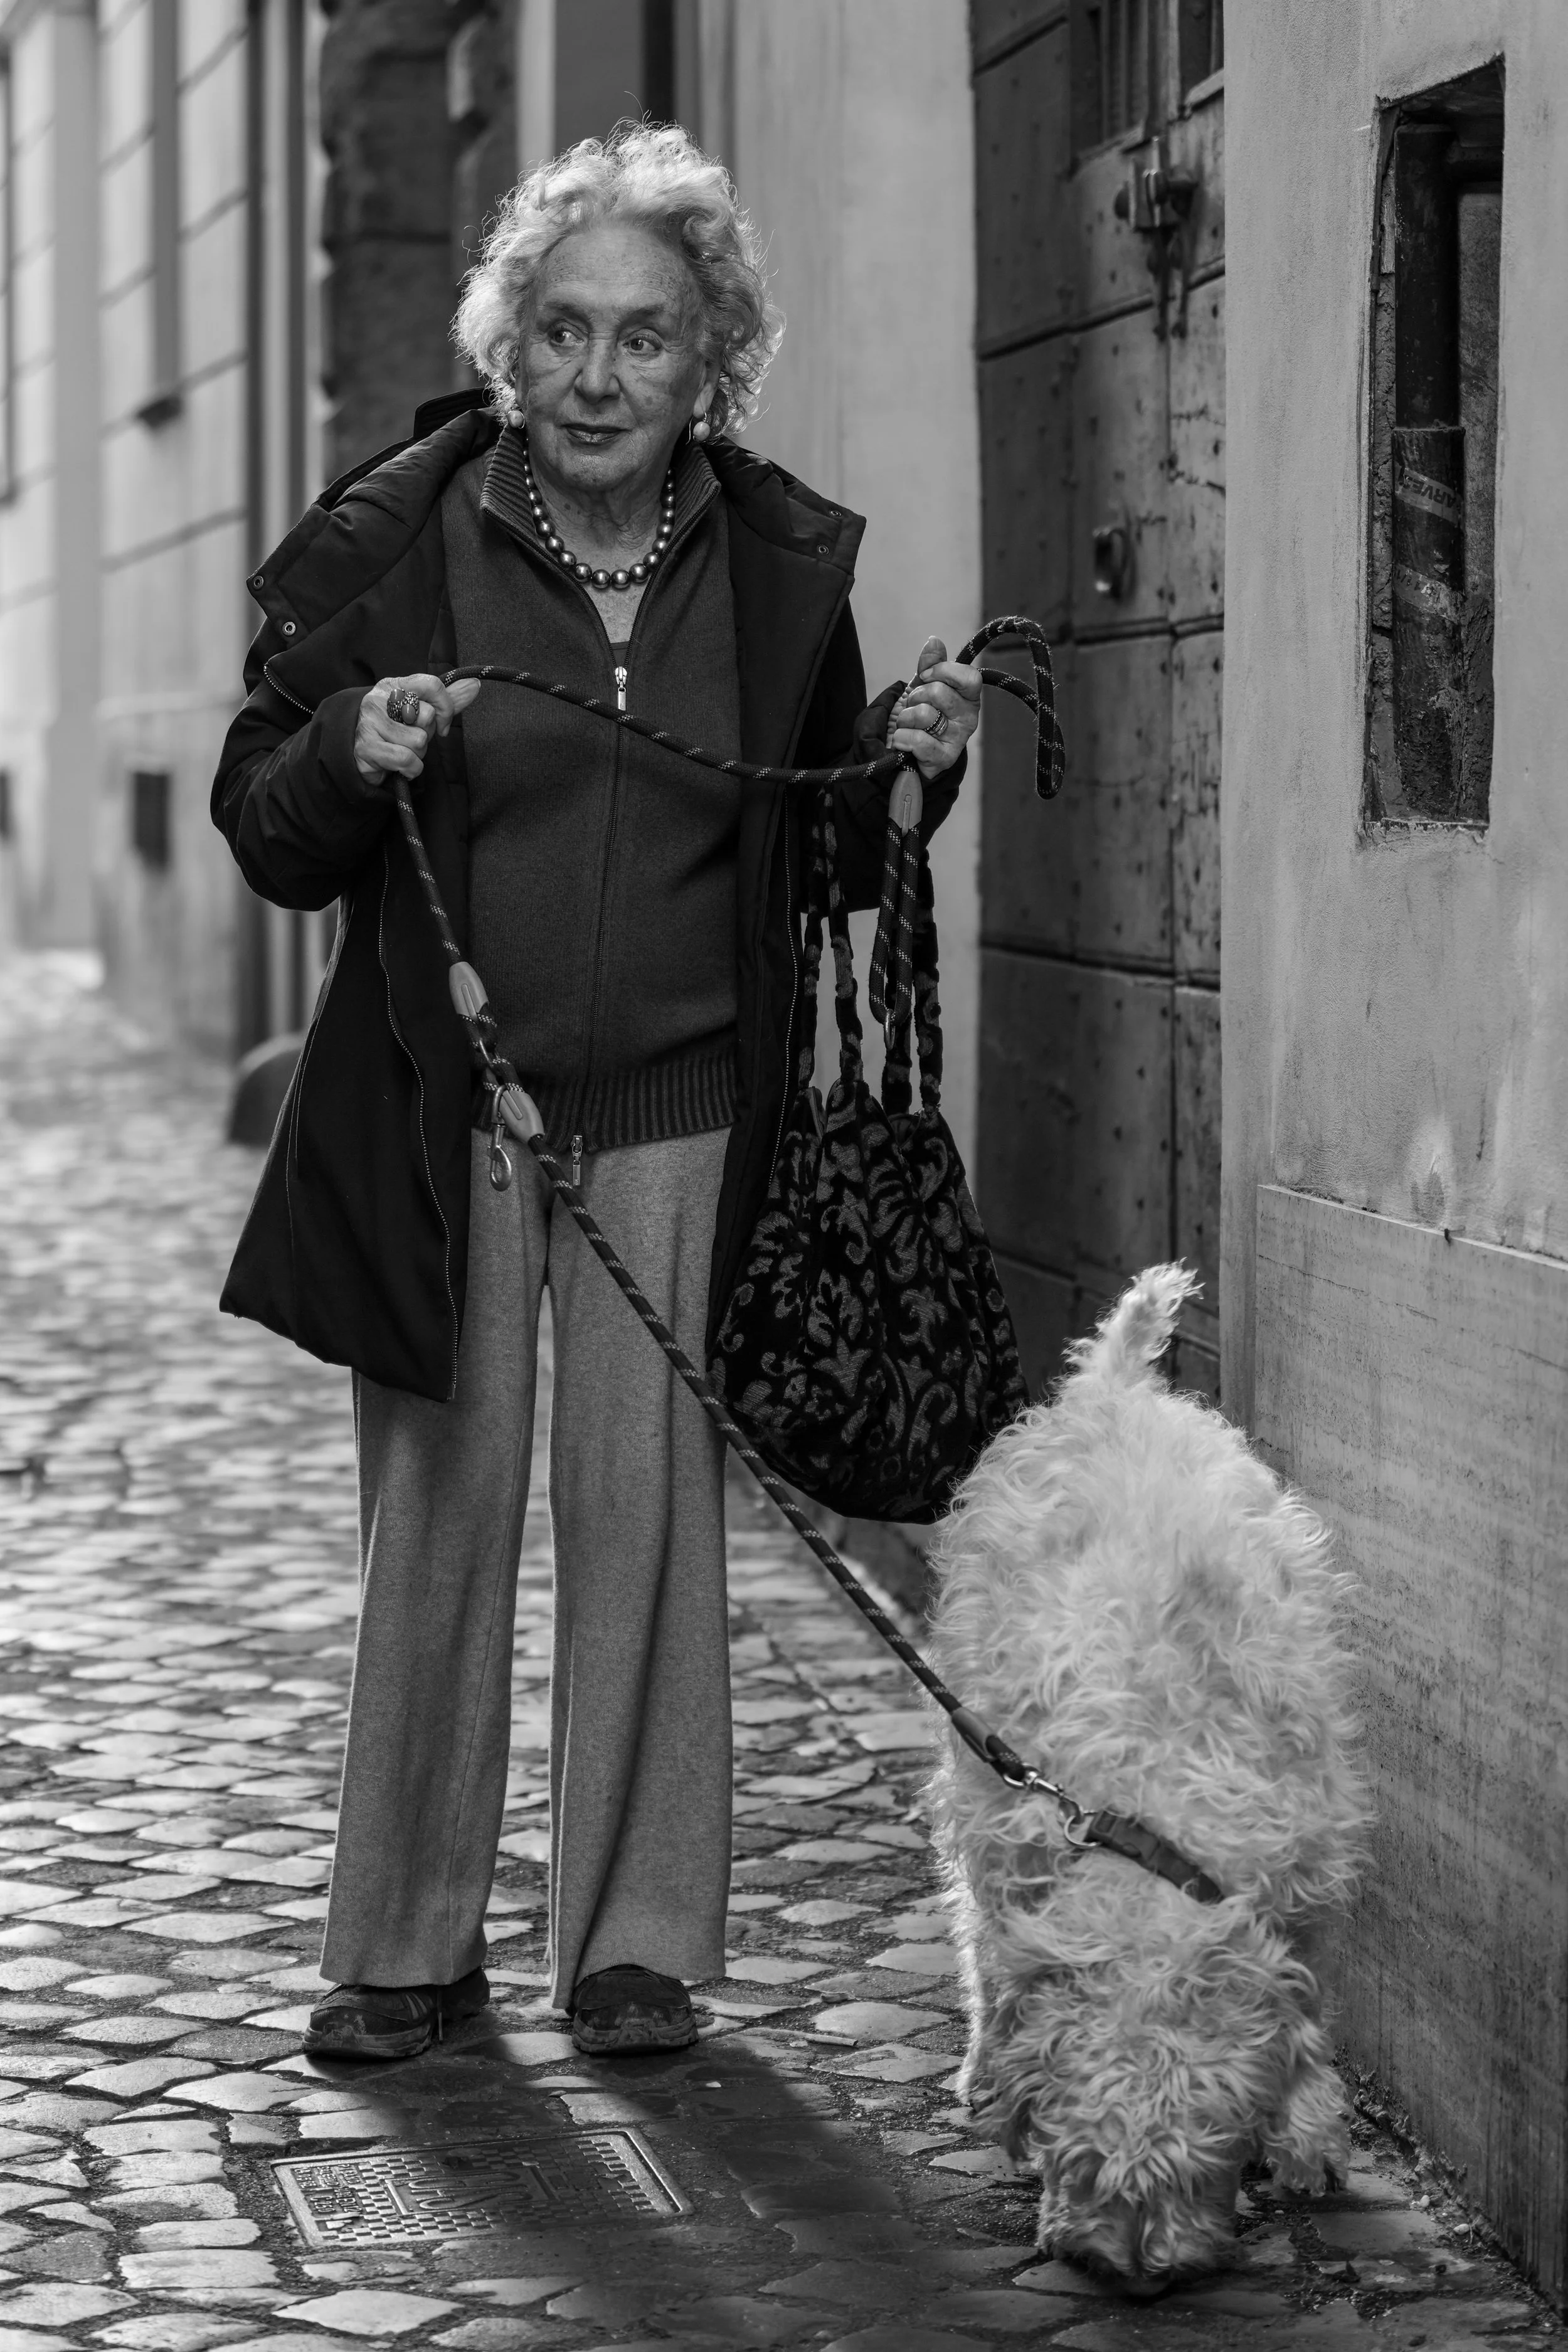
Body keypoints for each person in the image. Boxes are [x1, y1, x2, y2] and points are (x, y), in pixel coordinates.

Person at [211, 122, 982, 2061]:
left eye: (644, 337)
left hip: (680, 1113)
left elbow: (827, 864)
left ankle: (633, 1944)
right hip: (443, 1103)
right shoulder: (406, 541)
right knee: (442, 1523)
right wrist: (345, 747)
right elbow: (262, 815)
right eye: (560, 330)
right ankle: (401, 1942)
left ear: (709, 352)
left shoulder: (776, 568)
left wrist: (905, 768)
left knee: (644, 1529)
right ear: (506, 338)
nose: (595, 377)